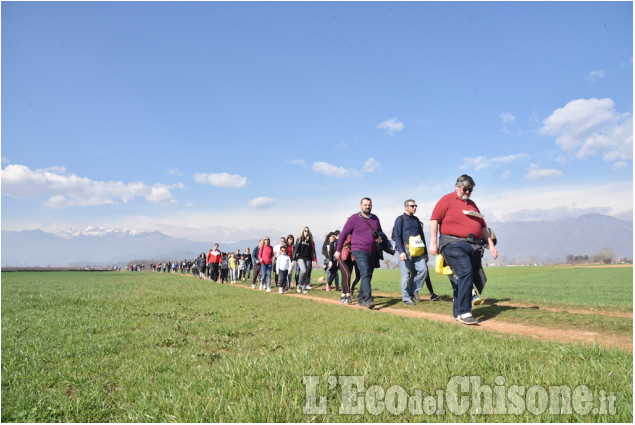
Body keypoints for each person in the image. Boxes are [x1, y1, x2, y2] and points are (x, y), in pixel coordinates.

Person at [429, 174, 498, 325]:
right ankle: (465, 311)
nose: (467, 192)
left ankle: (457, 312)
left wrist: (491, 245)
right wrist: (433, 242)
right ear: (457, 187)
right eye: (465, 189)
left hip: (472, 245)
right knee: (466, 271)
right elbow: (434, 220)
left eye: (471, 190)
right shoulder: (446, 200)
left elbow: (483, 227)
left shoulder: (472, 204)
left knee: (467, 277)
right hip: (452, 244)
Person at [335, 197, 384, 309]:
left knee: (368, 275)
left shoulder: (375, 219)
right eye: (365, 204)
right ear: (360, 205)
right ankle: (368, 299)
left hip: (372, 250)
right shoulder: (354, 218)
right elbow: (343, 234)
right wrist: (338, 250)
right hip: (359, 250)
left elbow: (379, 232)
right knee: (365, 272)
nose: (367, 206)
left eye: (369, 205)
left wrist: (380, 239)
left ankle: (361, 298)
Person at [394, 199, 433, 306]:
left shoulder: (416, 220)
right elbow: (397, 236)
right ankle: (406, 298)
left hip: (419, 250)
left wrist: (425, 252)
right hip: (405, 250)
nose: (414, 207)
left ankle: (413, 291)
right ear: (406, 207)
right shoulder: (400, 219)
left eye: (416, 206)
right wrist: (401, 251)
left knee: (423, 270)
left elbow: (422, 236)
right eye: (412, 206)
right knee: (406, 275)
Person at [293, 226, 317, 294]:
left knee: (306, 273)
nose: (306, 232)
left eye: (308, 231)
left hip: (308, 258)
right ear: (303, 231)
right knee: (303, 271)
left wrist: (313, 259)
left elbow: (312, 251)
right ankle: (299, 285)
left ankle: (303, 287)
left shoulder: (310, 240)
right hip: (300, 258)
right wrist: (294, 259)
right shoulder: (299, 239)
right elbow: (296, 249)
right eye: (305, 231)